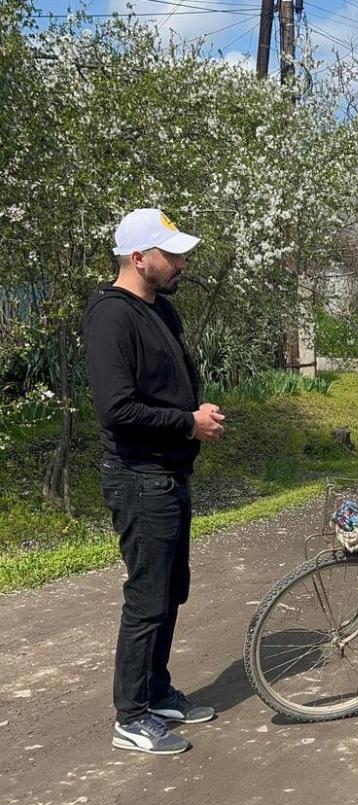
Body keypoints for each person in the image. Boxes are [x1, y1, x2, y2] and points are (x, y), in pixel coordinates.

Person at [84, 208, 225, 755]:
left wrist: (194, 413)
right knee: (147, 598)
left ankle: (157, 689)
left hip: (168, 474)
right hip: (139, 479)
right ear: (138, 258)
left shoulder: (160, 310)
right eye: (172, 255)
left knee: (171, 591)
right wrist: (187, 422)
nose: (182, 264)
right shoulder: (110, 317)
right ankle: (132, 714)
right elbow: (116, 409)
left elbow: (168, 387)